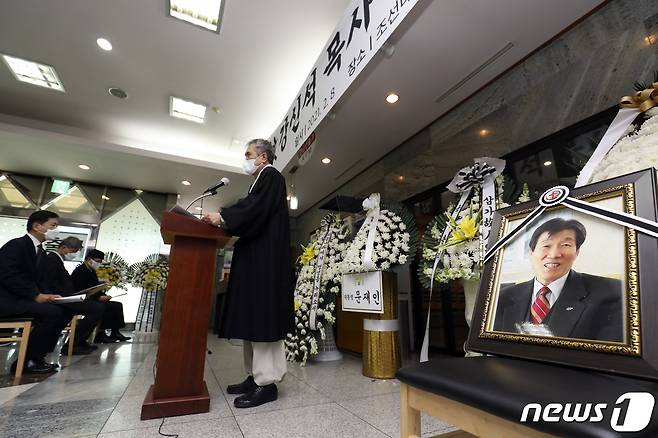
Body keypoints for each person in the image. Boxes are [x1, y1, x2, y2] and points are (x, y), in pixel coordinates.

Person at [202, 138, 294, 408]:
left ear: (263, 157)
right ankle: (254, 376)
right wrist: (228, 216)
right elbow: (251, 209)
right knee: (253, 320)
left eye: (248, 154)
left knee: (263, 320)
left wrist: (224, 216)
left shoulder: (272, 176)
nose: (245, 158)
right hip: (256, 259)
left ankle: (267, 385)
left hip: (265, 263)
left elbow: (255, 209)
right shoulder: (261, 179)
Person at [494, 218, 623, 342]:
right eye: (546, 245)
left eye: (566, 245)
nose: (554, 254)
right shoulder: (502, 297)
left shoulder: (611, 292)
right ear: (531, 252)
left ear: (577, 252)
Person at [0, 210, 69, 373]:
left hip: (22, 298)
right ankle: (27, 361)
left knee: (62, 310)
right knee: (52, 313)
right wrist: (35, 295)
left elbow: (40, 281)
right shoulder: (17, 245)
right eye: (53, 225)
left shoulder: (40, 251)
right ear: (37, 226)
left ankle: (38, 356)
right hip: (8, 300)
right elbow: (8, 275)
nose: (56, 229)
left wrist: (51, 296)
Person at [38, 237, 105, 355]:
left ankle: (78, 342)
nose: (74, 255)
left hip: (65, 296)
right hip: (58, 297)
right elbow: (50, 282)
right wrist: (65, 296)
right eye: (73, 251)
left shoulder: (57, 260)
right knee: (96, 308)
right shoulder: (52, 260)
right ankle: (75, 343)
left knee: (96, 307)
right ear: (64, 248)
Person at [71, 249, 130, 342]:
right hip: (83, 300)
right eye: (97, 261)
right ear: (89, 259)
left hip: (92, 298)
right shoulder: (81, 271)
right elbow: (81, 289)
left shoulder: (91, 271)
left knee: (116, 305)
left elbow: (95, 288)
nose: (98, 264)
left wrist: (103, 295)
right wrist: (98, 297)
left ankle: (115, 332)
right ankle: (100, 333)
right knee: (102, 307)